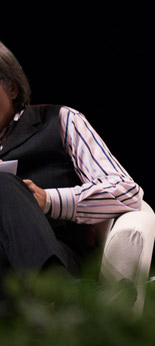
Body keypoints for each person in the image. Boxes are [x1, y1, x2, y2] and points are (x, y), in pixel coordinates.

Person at [0, 39, 143, 288]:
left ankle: (55, 294)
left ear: (11, 89)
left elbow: (126, 191)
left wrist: (50, 201)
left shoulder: (61, 121)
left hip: (55, 256)